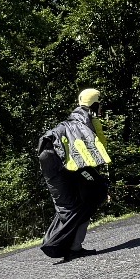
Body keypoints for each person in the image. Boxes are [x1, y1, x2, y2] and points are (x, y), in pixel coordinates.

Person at [38, 88, 112, 261]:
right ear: (95, 104)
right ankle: (67, 247)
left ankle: (63, 245)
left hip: (50, 161)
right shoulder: (89, 122)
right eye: (100, 105)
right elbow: (100, 147)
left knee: (70, 207)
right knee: (92, 197)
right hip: (65, 164)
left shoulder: (67, 124)